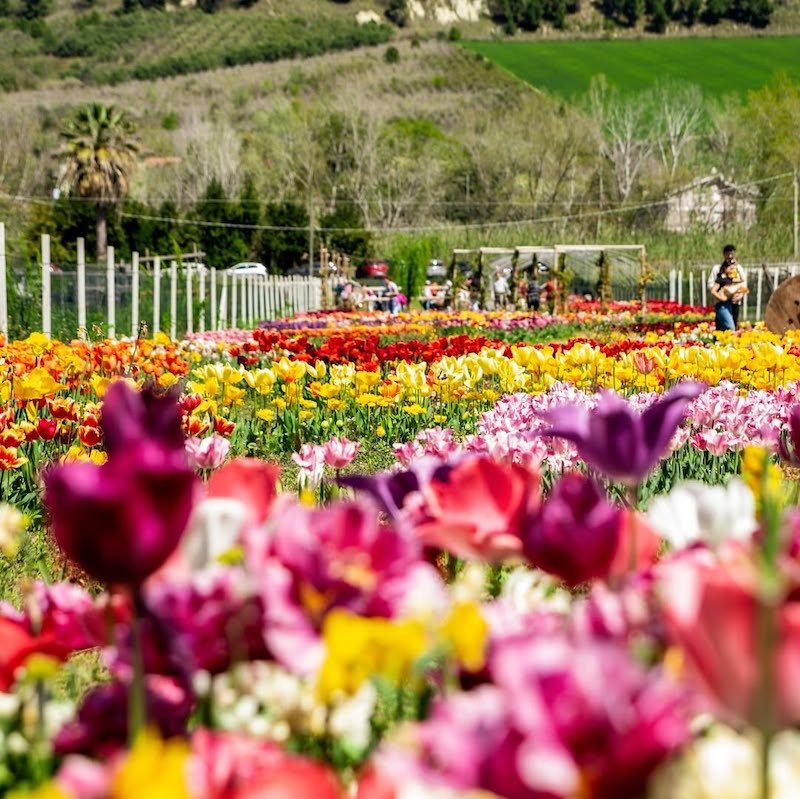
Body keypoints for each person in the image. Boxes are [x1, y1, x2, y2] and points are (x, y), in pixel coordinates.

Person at [708, 244, 748, 329]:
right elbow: (711, 285)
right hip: (722, 303)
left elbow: (744, 285)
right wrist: (722, 295)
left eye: (732, 254)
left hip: (734, 302)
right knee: (720, 325)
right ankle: (718, 341)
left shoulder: (739, 268)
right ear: (724, 255)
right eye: (727, 254)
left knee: (733, 322)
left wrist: (740, 296)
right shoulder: (717, 269)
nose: (730, 256)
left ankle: (729, 341)